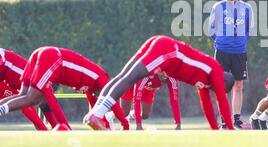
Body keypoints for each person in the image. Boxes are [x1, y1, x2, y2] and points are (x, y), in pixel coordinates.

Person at [83, 35, 235, 130]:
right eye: (220, 88)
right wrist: (230, 127)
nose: (215, 90)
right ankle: (97, 114)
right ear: (223, 81)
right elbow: (221, 99)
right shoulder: (215, 69)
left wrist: (215, 129)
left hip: (164, 46)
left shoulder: (207, 79)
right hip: (168, 51)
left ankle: (94, 114)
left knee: (123, 76)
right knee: (130, 78)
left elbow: (206, 103)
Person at [0, 46, 129, 130]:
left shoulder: (92, 87)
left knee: (24, 96)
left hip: (45, 53)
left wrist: (103, 123)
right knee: (31, 99)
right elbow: (112, 102)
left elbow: (94, 108)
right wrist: (125, 125)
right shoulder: (103, 79)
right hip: (53, 57)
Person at [208, 0, 254, 129]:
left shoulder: (247, 8)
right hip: (222, 51)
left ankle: (236, 119)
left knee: (238, 85)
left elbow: (250, 30)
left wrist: (240, 43)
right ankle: (223, 120)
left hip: (239, 52)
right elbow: (211, 29)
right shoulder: (218, 6)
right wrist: (221, 41)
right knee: (221, 85)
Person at [0, 48, 49, 130]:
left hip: (9, 77)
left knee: (22, 102)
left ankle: (43, 129)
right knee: (22, 101)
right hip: (8, 77)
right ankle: (43, 129)